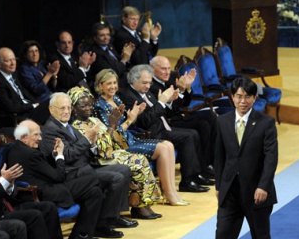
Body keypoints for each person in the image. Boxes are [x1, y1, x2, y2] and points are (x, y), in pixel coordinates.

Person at [209, 77, 278, 239]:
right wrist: (219, 185)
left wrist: (263, 186)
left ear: (254, 98)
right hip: (229, 193)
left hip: (257, 194)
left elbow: (270, 158)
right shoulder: (222, 121)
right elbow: (218, 157)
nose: (243, 100)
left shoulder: (266, 123)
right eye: (238, 96)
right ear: (232, 97)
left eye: (247, 96)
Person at [39, 92, 137, 234]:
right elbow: (66, 155)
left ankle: (113, 216)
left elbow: (85, 151)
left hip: (85, 168)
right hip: (72, 174)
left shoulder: (67, 126)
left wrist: (92, 144)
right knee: (116, 178)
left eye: (68, 108)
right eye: (62, 108)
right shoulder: (50, 130)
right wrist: (86, 139)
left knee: (124, 169)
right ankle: (101, 224)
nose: (66, 111)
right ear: (51, 109)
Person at [88, 71, 188, 205]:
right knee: (162, 149)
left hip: (129, 138)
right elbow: (110, 135)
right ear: (100, 86)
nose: (112, 86)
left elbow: (126, 124)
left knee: (168, 145)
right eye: (108, 84)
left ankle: (171, 192)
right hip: (119, 146)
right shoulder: (99, 107)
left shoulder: (117, 99)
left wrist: (135, 115)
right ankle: (169, 193)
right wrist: (130, 120)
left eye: (114, 83)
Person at [8, 119, 102, 239]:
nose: (40, 138)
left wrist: (54, 154)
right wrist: (60, 155)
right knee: (94, 178)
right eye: (36, 135)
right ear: (24, 137)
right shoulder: (31, 153)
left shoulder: (17, 149)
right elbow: (58, 176)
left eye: (40, 134)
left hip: (48, 187)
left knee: (95, 192)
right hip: (46, 193)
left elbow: (44, 168)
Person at [68, 87, 164, 218]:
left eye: (90, 104)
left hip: (112, 153)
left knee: (140, 159)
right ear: (73, 108)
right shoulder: (77, 126)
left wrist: (114, 125)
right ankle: (138, 206)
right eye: (83, 105)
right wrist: (111, 126)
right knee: (137, 162)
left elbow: (116, 141)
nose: (88, 108)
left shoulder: (94, 121)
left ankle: (143, 204)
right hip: (98, 160)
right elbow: (102, 150)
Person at [118, 64, 213, 193]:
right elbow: (145, 121)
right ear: (134, 81)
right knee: (189, 136)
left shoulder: (146, 92)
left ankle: (195, 175)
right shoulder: (129, 97)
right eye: (144, 83)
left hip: (162, 127)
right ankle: (187, 181)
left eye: (149, 83)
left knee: (194, 133)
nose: (148, 86)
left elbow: (164, 112)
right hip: (150, 134)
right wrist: (162, 102)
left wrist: (169, 102)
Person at [150, 55, 217, 179]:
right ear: (152, 69)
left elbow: (184, 104)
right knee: (202, 125)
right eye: (163, 69)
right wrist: (180, 92)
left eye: (169, 68)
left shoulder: (170, 79)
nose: (167, 72)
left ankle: (209, 163)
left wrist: (187, 88)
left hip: (178, 117)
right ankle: (203, 166)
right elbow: (166, 111)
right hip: (168, 122)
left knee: (210, 117)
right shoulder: (151, 86)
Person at [0, 47, 51, 128]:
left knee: (55, 101)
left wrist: (35, 103)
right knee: (52, 104)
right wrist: (32, 106)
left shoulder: (13, 75)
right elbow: (10, 107)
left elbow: (25, 94)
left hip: (27, 110)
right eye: (8, 60)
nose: (13, 63)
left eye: (14, 59)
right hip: (18, 117)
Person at [87, 22, 134, 86]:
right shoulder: (94, 53)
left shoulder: (110, 47)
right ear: (95, 37)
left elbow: (118, 62)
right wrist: (124, 59)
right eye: (102, 35)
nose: (106, 37)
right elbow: (111, 74)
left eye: (108, 34)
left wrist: (126, 54)